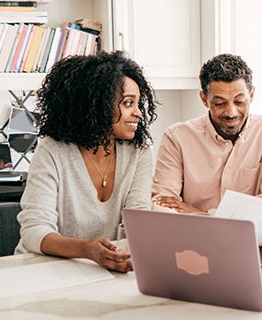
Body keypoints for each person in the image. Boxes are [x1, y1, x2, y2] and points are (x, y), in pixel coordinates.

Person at [15, 51, 158, 273]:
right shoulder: (53, 150)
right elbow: (34, 231)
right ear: (97, 104)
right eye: (128, 103)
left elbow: (138, 221)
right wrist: (87, 250)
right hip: (43, 270)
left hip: (102, 270)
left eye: (138, 104)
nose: (138, 113)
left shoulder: (138, 152)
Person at [152, 53, 262, 213]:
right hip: (193, 237)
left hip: (251, 237)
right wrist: (250, 209)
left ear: (251, 95)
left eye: (239, 102)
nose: (231, 112)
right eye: (220, 103)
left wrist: (201, 214)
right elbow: (163, 205)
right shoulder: (177, 137)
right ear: (204, 99)